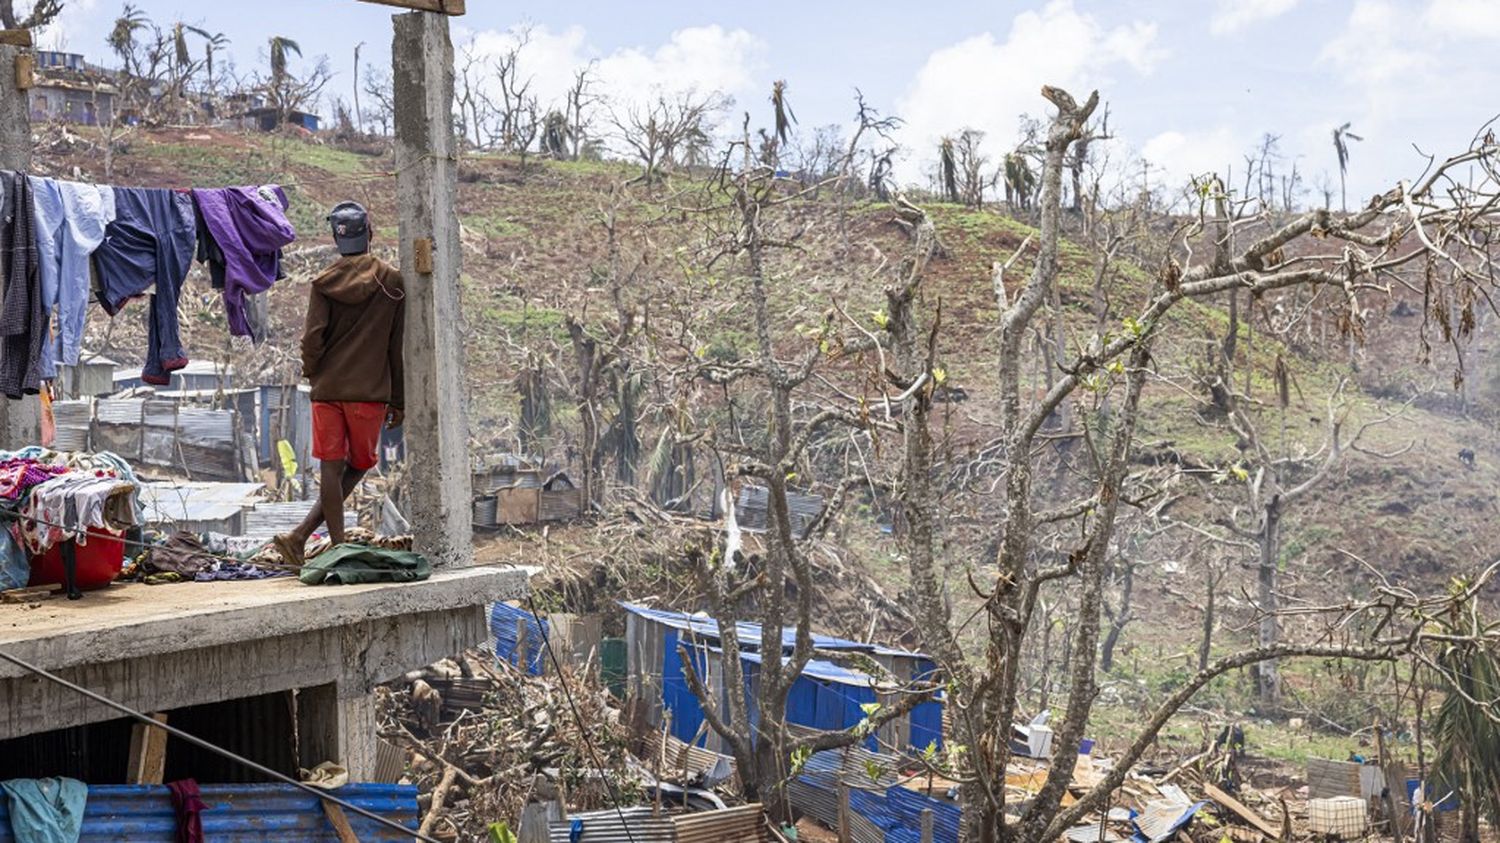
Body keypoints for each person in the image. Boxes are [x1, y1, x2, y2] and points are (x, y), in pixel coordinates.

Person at [276, 201, 404, 565]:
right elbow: (396, 345)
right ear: (370, 234)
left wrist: (314, 373)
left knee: (329, 469)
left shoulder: (323, 283)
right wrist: (399, 399)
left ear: (336, 238)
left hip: (328, 391)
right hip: (369, 394)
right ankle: (333, 545)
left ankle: (317, 540)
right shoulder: (392, 282)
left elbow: (312, 338)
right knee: (360, 464)